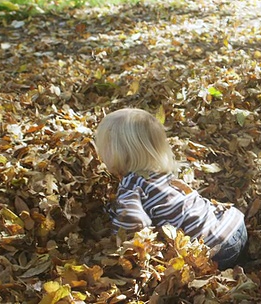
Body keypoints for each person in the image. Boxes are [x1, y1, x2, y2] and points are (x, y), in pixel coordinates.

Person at [94, 108, 247, 270]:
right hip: (236, 225)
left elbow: (128, 230)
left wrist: (111, 229)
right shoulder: (161, 172)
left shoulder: (131, 185)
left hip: (215, 250)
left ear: (118, 152)